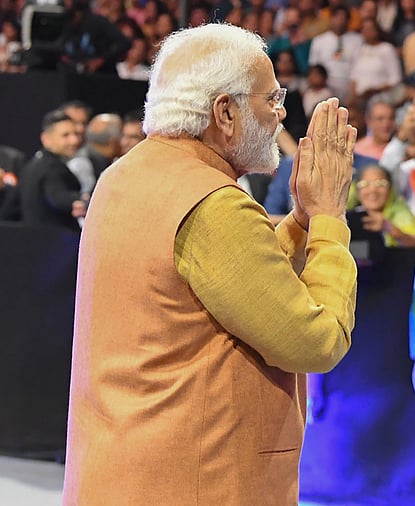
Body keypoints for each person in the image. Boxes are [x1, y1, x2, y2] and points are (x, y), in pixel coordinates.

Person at [63, 24, 358, 504]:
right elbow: (317, 342)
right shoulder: (211, 202)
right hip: (198, 483)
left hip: (120, 473)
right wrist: (329, 219)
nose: (281, 115)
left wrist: (301, 220)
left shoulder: (125, 175)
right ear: (225, 111)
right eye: (272, 99)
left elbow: (234, 283)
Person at [19, 110, 85, 232]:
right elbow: (57, 196)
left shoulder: (30, 166)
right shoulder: (53, 167)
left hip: (33, 242)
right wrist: (80, 200)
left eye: (76, 134)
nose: (74, 140)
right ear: (46, 139)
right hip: (58, 244)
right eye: (66, 135)